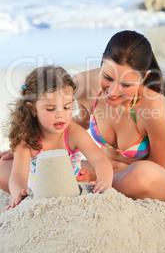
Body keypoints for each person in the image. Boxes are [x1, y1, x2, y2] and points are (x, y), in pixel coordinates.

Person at [73, 30, 165, 201]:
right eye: (107, 77)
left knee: (142, 177)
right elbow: (76, 122)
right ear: (102, 59)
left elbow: (156, 169)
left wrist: (98, 176)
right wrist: (29, 142)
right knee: (44, 165)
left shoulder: (155, 108)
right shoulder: (83, 84)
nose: (113, 91)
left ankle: (97, 182)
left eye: (126, 84)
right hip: (105, 169)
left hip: (150, 177)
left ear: (144, 77)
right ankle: (99, 181)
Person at [0, 65, 113, 210]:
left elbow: (100, 159)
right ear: (32, 109)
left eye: (67, 107)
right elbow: (18, 175)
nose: (60, 114)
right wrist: (18, 192)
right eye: (51, 109)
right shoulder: (27, 138)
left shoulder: (73, 133)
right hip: (38, 191)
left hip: (71, 187)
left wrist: (104, 180)